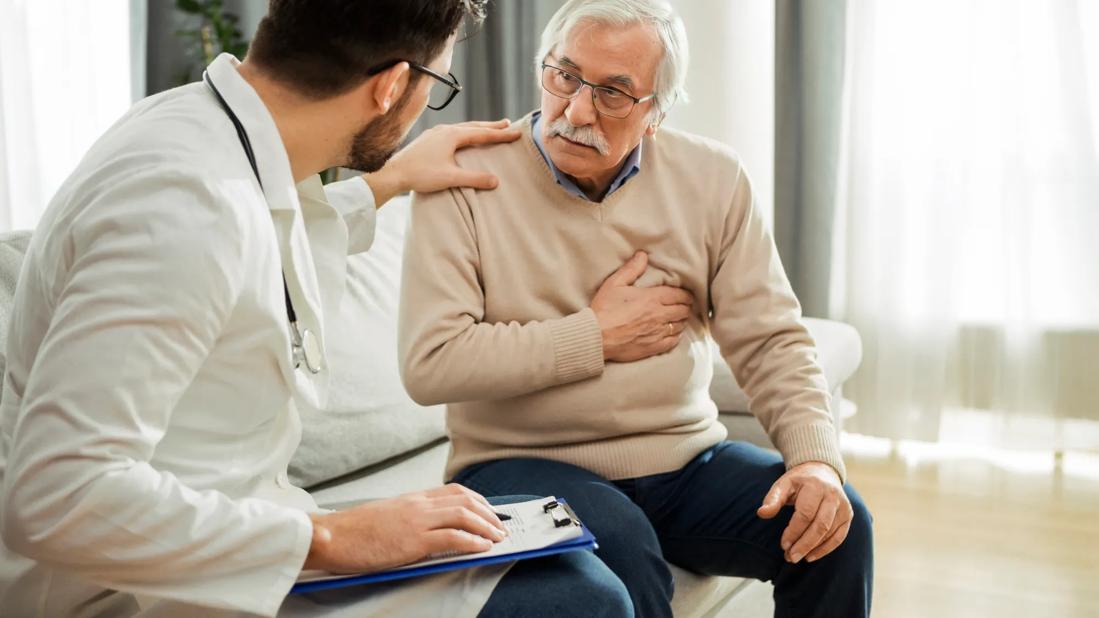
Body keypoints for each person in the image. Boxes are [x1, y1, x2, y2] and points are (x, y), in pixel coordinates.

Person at [0, 1, 632, 616]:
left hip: (250, 531)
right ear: (390, 86)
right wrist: (332, 539)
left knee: (555, 527)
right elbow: (57, 498)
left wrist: (391, 181)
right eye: (434, 83)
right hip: (143, 587)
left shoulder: (202, 131)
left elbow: (265, 235)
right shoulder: (179, 207)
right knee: (582, 596)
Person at [398, 0, 874, 616]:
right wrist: (594, 335)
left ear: (657, 112)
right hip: (515, 467)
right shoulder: (463, 178)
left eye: (613, 94)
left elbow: (770, 338)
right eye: (563, 75)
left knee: (838, 526)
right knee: (624, 548)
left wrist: (815, 461)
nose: (575, 110)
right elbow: (431, 363)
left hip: (684, 461)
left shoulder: (714, 177)